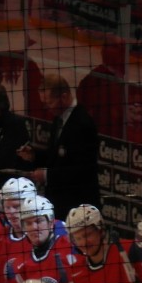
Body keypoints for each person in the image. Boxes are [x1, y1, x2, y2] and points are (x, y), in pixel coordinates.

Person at [18, 74, 99, 222]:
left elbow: (81, 170)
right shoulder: (59, 119)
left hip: (77, 206)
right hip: (60, 202)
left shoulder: (82, 123)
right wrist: (35, 155)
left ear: (64, 96)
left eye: (49, 102)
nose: (46, 107)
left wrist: (47, 175)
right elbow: (56, 157)